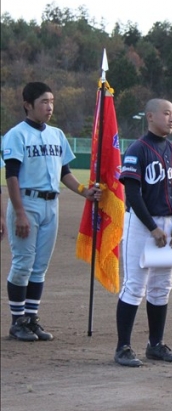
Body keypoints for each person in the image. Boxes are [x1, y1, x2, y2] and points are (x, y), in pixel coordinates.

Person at [2, 82, 101, 342]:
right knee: (23, 263)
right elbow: (11, 175)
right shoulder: (17, 135)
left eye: (52, 101)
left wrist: (84, 191)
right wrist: (19, 213)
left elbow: (64, 172)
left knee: (40, 266)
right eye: (44, 102)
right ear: (28, 105)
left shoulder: (56, 134)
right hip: (27, 203)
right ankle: (17, 322)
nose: (49, 107)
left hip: (51, 204)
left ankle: (31, 318)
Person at [114, 98, 172, 367]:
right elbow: (132, 193)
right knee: (135, 286)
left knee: (161, 287)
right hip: (141, 225)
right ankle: (123, 348)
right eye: (166, 113)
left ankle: (156, 345)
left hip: (170, 225)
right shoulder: (137, 149)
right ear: (150, 116)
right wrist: (152, 227)